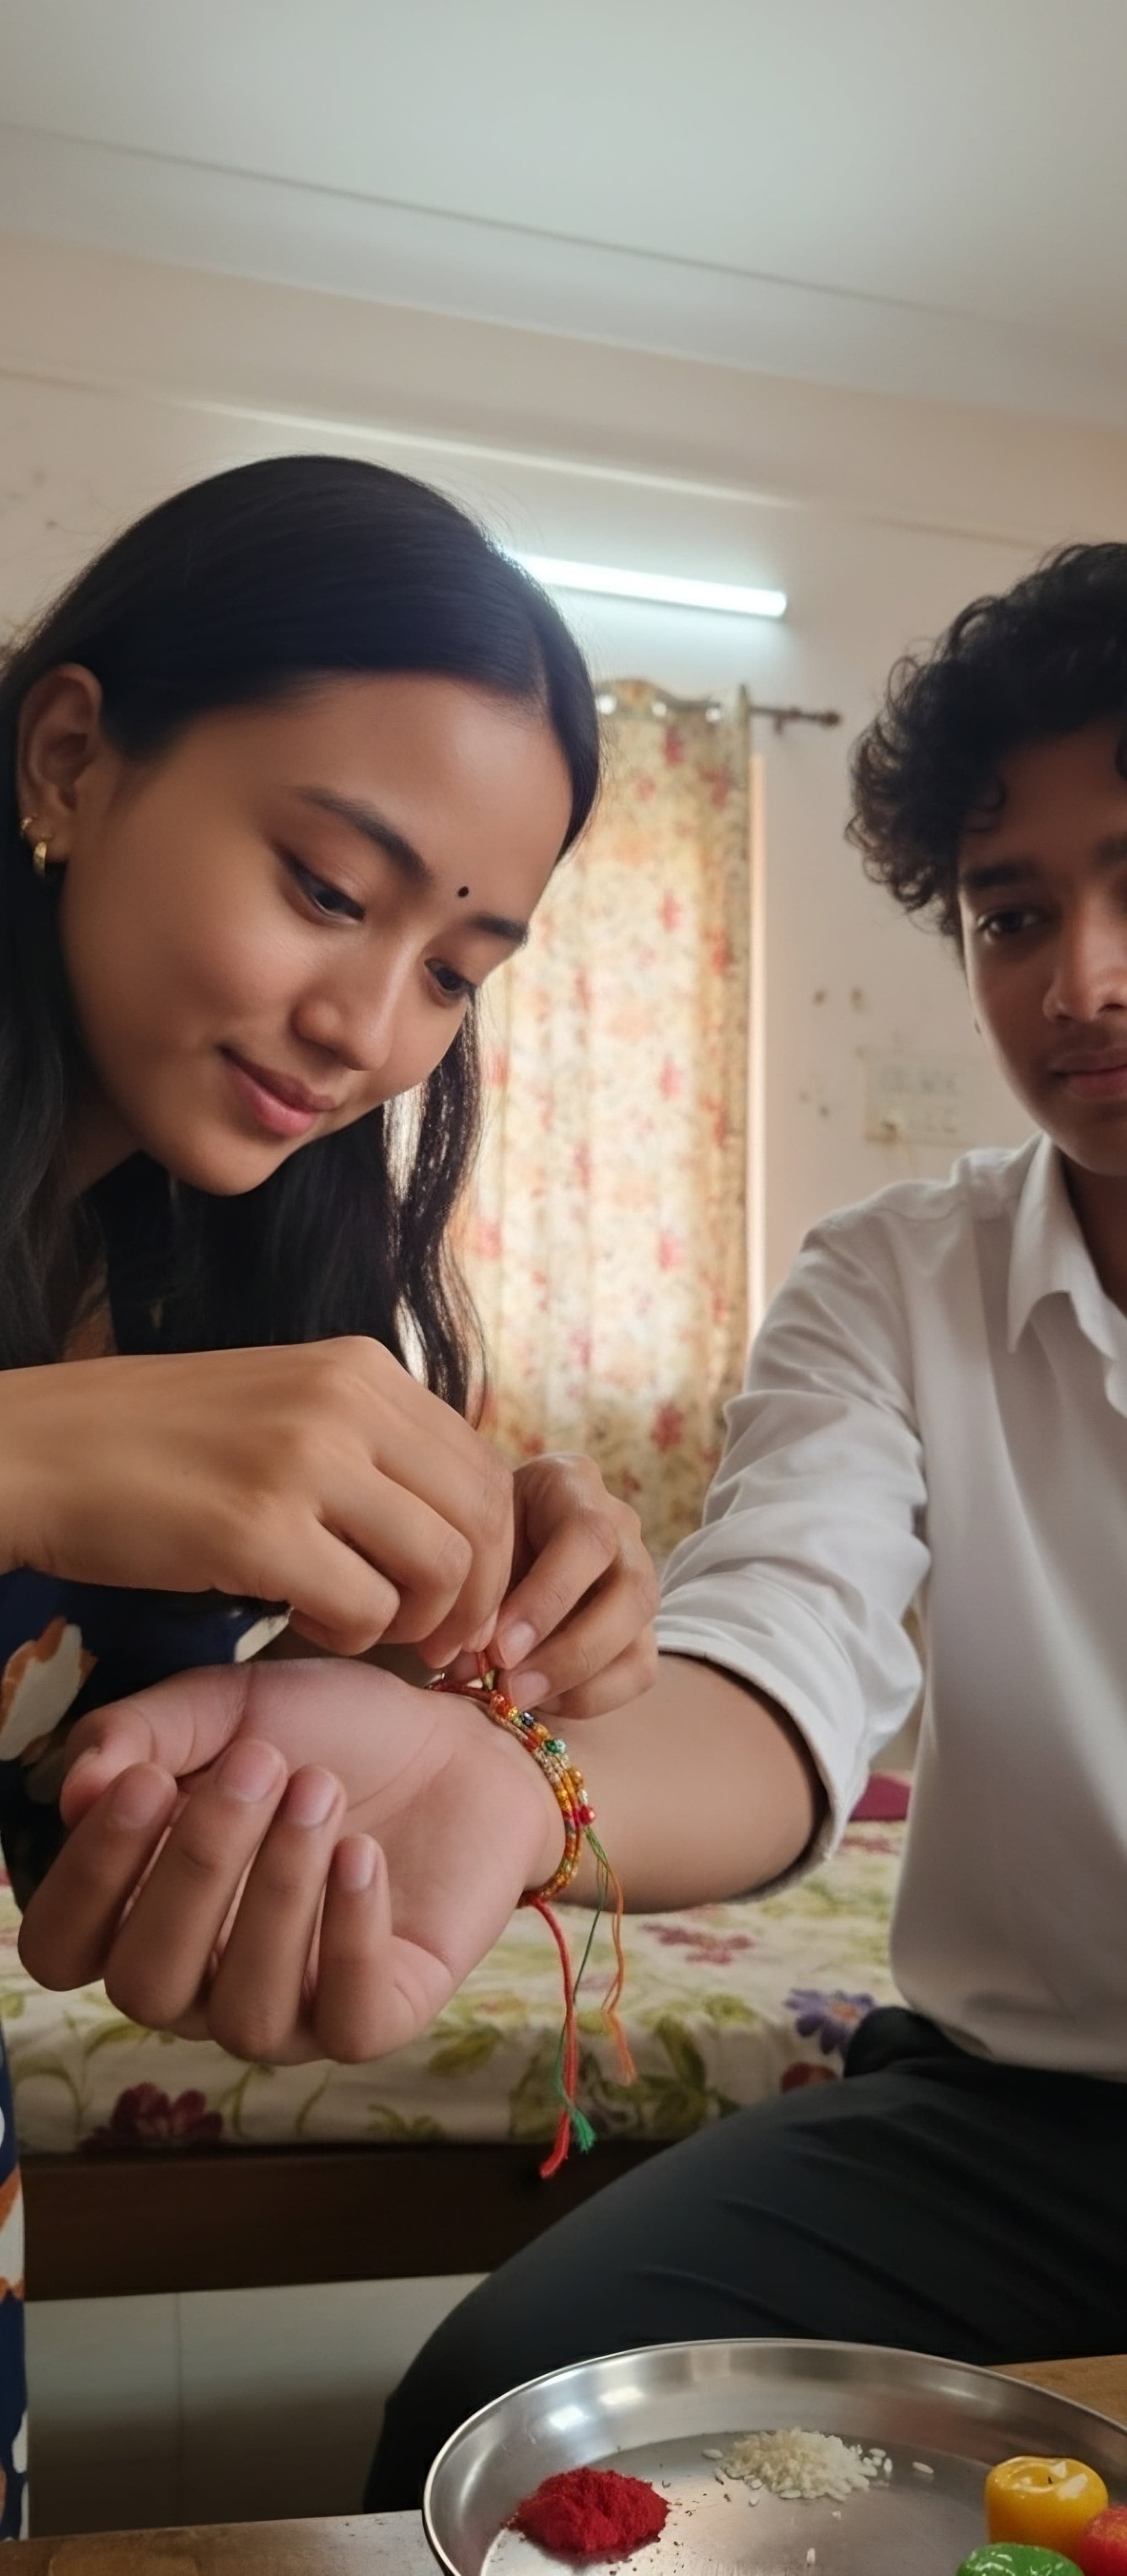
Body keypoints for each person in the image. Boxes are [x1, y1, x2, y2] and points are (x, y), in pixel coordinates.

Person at [359, 540, 1127, 2505]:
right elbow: (769, 1665)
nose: (1081, 981)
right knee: (494, 2408)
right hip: (1022, 2124)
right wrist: (506, 1783)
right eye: (1012, 911)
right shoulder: (896, 1277)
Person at [0, 451, 660, 2536]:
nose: (370, 1028)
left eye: (458, 969)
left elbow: (71, 1805)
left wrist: (402, 1706)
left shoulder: (209, 1267)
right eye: (323, 887)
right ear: (72, 758)